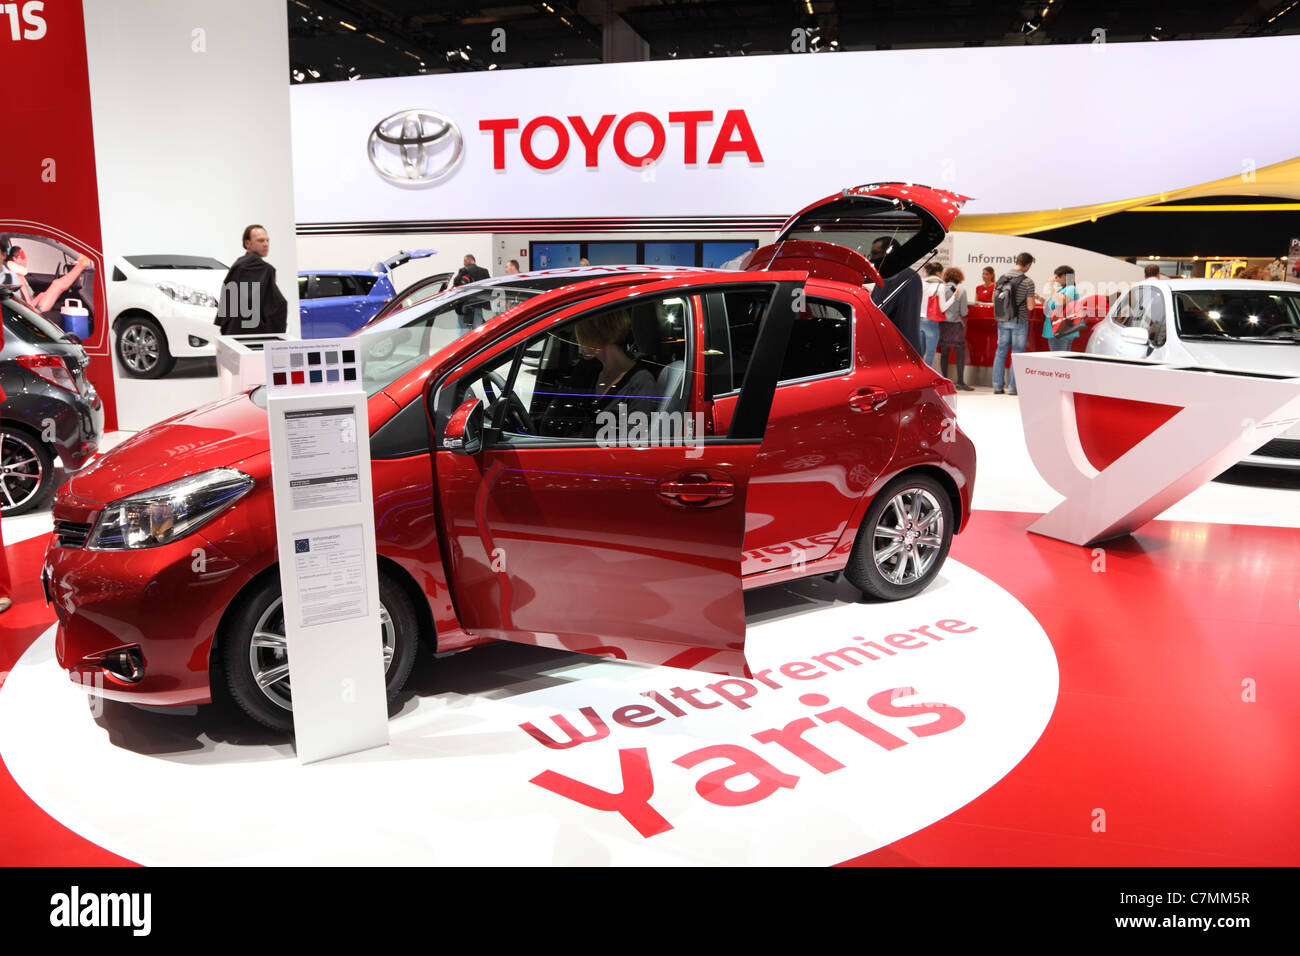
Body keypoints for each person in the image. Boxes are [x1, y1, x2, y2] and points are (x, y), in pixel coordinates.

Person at [574, 310, 661, 438]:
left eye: (581, 336)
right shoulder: (593, 373)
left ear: (595, 335)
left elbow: (633, 445)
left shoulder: (641, 383)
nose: (578, 343)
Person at [214, 225, 288, 335]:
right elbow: (277, 304)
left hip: (232, 331)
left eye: (267, 240)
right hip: (254, 334)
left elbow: (227, 300)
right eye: (260, 241)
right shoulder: (265, 269)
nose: (266, 244)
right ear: (247, 243)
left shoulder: (238, 264)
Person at [1, 238, 91, 314]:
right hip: (34, 310)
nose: (26, 260)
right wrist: (40, 296)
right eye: (22, 257)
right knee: (57, 284)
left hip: (36, 305)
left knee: (57, 283)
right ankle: (83, 264)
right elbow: (28, 306)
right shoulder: (17, 277)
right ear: (14, 259)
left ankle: (82, 264)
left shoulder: (20, 276)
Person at [868, 236, 923, 354]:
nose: (871, 258)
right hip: (909, 346)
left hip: (895, 349)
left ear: (889, 253)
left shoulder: (892, 276)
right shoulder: (911, 275)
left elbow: (878, 310)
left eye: (875, 253)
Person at [992, 252, 1035, 395]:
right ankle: (1013, 388)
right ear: (1028, 265)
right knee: (1017, 354)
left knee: (1000, 352)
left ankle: (997, 386)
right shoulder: (1028, 282)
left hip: (1003, 320)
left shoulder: (1001, 278)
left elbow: (995, 300)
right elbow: (1030, 307)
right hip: (1019, 321)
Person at [937, 267, 972, 389]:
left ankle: (945, 381)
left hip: (943, 325)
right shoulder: (960, 290)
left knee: (944, 353)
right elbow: (964, 312)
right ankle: (961, 382)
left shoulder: (940, 289)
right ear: (959, 278)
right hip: (956, 325)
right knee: (960, 353)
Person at [1042, 265, 1081, 352]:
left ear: (1063, 276)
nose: (1055, 280)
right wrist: (1040, 298)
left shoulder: (1071, 288)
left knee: (1058, 359)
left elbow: (1060, 301)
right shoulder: (1064, 289)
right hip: (1061, 329)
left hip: (1061, 330)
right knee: (1063, 359)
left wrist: (1051, 286)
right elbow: (1054, 304)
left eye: (1056, 277)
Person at [452, 254, 491, 330]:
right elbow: (489, 286)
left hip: (465, 305)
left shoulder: (464, 270)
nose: (464, 264)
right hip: (479, 304)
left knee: (464, 330)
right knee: (478, 329)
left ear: (469, 260)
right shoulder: (484, 271)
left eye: (465, 261)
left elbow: (456, 283)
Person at [918, 261, 945, 368]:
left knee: (919, 352)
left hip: (919, 318)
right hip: (931, 320)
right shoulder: (939, 285)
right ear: (938, 273)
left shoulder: (921, 282)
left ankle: (918, 375)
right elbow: (943, 307)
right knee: (930, 352)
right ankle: (927, 376)